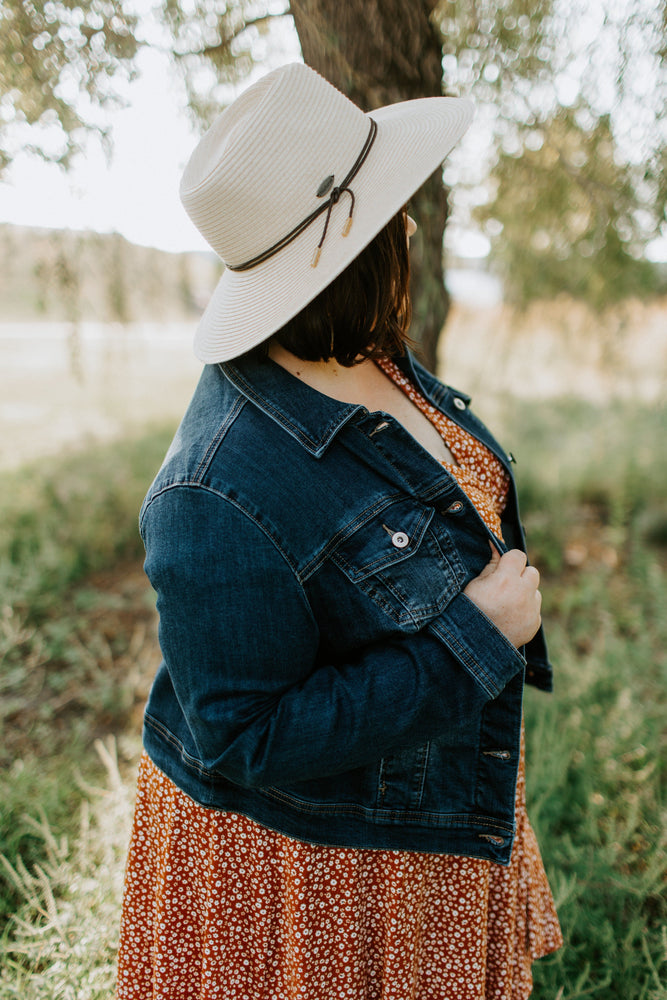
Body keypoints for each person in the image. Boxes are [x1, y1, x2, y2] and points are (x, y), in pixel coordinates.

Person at [116, 62, 562, 1000]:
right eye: (389, 208)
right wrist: (474, 643)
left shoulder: (370, 350)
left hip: (416, 825)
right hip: (318, 873)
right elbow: (242, 737)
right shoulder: (212, 491)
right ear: (343, 254)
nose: (407, 226)